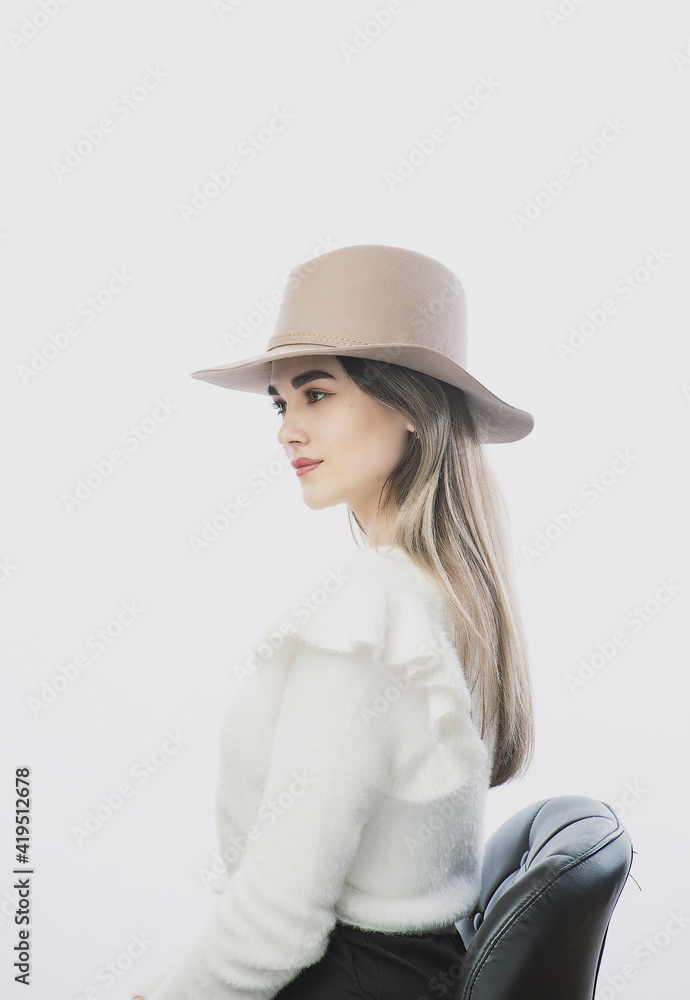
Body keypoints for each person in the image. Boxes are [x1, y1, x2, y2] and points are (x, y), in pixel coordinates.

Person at [131, 244, 536, 1000]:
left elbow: (274, 925)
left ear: (411, 407)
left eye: (316, 394)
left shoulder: (371, 616)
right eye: (281, 403)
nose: (287, 430)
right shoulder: (449, 597)